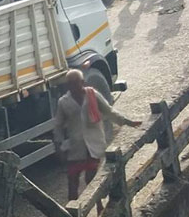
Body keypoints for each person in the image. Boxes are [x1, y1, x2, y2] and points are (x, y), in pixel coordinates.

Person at [54, 69, 141, 214]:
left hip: (93, 145)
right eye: (71, 84)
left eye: (76, 83)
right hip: (75, 148)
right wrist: (58, 146)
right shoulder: (63, 102)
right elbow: (58, 125)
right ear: (67, 86)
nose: (74, 87)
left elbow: (109, 111)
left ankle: (99, 207)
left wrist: (127, 121)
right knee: (72, 182)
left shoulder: (92, 95)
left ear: (82, 83)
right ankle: (71, 212)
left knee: (91, 179)